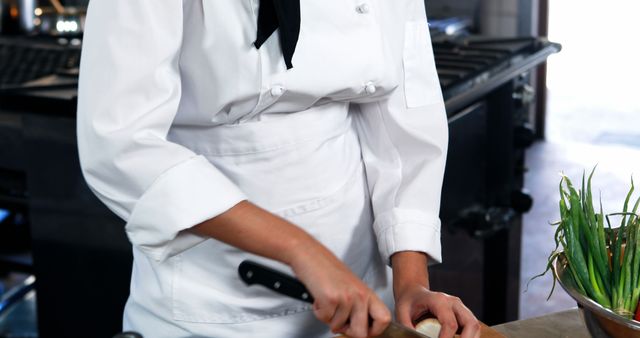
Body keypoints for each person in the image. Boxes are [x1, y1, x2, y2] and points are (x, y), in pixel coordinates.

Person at [77, 0, 480, 337]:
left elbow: (403, 117)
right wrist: (301, 250)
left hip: (362, 293)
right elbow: (120, 144)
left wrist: (410, 284)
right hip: (212, 306)